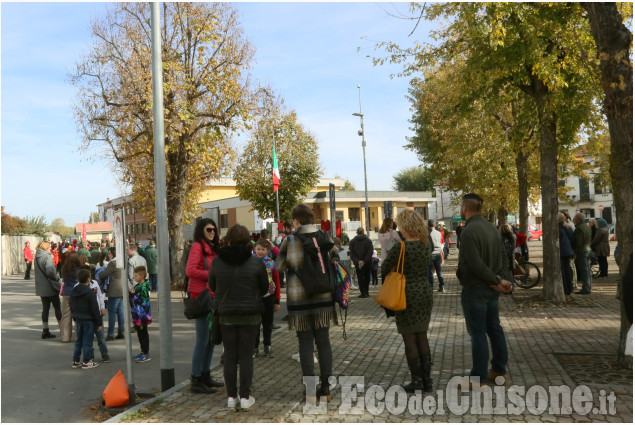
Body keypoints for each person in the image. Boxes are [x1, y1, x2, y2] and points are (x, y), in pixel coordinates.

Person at [276, 203, 339, 402]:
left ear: (295, 220)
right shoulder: (324, 237)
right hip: (323, 297)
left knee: (305, 343)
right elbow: (334, 260)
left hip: (300, 300)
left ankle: (310, 391)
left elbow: (279, 267)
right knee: (323, 342)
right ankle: (326, 389)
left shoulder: (291, 240)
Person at [456, 193, 512, 388]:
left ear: (465, 208)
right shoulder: (492, 228)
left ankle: (478, 378)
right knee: (494, 329)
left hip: (476, 288)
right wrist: (500, 280)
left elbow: (475, 264)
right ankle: (499, 370)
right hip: (491, 288)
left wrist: (495, 280)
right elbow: (505, 257)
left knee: (478, 333)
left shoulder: (469, 231)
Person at [210, 224, 268, 411]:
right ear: (247, 241)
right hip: (250, 315)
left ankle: (230, 397)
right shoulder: (255, 262)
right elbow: (265, 288)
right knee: (246, 357)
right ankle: (244, 397)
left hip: (226, 314)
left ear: (228, 240)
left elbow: (212, 284)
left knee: (230, 355)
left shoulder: (217, 261)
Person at [381, 209, 433, 392]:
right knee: (422, 335)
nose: (399, 229)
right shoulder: (426, 245)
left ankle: (416, 381)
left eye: (401, 226)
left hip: (406, 293)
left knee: (409, 338)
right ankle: (427, 381)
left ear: (406, 226)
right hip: (425, 291)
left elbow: (385, 268)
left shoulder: (400, 248)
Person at [186, 218, 224, 394]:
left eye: (214, 230)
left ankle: (205, 375)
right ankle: (196, 379)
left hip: (212, 296)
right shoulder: (197, 247)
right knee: (202, 341)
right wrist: (212, 274)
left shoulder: (212, 248)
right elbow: (190, 271)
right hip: (201, 297)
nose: (212, 232)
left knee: (210, 340)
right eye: (209, 229)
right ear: (201, 230)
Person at [253, 239, 281, 358]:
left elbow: (276, 281)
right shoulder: (250, 262)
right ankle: (254, 347)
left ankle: (267, 345)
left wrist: (277, 300)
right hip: (254, 298)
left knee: (267, 323)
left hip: (269, 297)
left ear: (267, 250)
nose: (260, 251)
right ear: (254, 249)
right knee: (255, 324)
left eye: (263, 249)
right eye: (258, 249)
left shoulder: (271, 263)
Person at [70, 268, 102, 369]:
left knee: (78, 340)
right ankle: (87, 361)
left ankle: (76, 360)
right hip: (89, 319)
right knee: (88, 341)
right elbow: (95, 309)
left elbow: (71, 305)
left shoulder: (74, 291)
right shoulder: (90, 292)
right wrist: (99, 322)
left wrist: (74, 316)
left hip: (78, 318)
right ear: (88, 279)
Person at [80, 264, 110, 363]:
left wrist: (102, 307)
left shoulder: (95, 283)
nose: (89, 277)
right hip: (87, 315)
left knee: (100, 335)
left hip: (97, 314)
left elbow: (100, 296)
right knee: (88, 337)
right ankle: (90, 355)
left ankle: (104, 353)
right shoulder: (78, 287)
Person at [34, 241, 62, 339]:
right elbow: (50, 272)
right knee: (57, 308)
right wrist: (57, 278)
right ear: (45, 248)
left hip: (41, 288)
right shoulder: (47, 257)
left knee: (45, 309)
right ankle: (62, 329)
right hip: (50, 287)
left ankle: (45, 330)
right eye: (49, 247)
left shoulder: (36, 257)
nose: (50, 248)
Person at [99, 248, 125, 341]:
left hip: (114, 289)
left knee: (112, 312)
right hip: (122, 288)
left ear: (113, 254)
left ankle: (110, 334)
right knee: (120, 311)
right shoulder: (122, 261)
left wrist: (99, 273)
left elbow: (103, 275)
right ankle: (121, 331)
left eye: (109, 254)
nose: (109, 255)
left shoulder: (112, 263)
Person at [130, 265, 152, 363]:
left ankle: (146, 353)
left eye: (136, 276)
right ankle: (143, 351)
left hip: (142, 314)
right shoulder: (138, 285)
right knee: (140, 333)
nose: (134, 278)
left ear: (142, 276)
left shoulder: (143, 287)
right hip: (138, 313)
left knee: (143, 333)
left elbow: (142, 301)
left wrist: (133, 295)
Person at [60, 251, 82, 342]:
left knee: (66, 315)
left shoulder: (64, 268)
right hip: (76, 293)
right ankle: (79, 336)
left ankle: (65, 337)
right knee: (78, 315)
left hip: (66, 292)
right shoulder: (79, 269)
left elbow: (63, 278)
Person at [349, 227, 374, 298]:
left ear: (356, 232)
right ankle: (366, 292)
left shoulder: (352, 241)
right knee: (367, 276)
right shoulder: (368, 241)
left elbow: (352, 253)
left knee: (360, 277)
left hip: (357, 263)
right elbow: (370, 252)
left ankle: (362, 292)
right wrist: (364, 261)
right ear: (363, 232)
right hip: (367, 262)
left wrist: (357, 261)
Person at [573, 213, 592, 294]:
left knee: (584, 270)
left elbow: (578, 242)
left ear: (578, 220)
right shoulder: (587, 227)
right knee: (587, 270)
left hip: (582, 251)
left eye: (575, 218)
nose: (573, 219)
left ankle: (586, 288)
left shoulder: (579, 228)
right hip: (587, 249)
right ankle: (588, 286)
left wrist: (574, 252)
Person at [558, 213, 576, 296]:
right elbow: (572, 239)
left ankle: (565, 288)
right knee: (567, 269)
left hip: (562, 251)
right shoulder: (567, 227)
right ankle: (569, 288)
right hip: (568, 251)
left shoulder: (557, 228)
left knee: (563, 270)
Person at [428, 220, 446, 292]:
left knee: (430, 271)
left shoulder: (428, 233)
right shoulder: (439, 233)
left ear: (428, 225)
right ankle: (442, 286)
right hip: (438, 252)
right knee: (439, 271)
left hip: (431, 253)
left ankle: (431, 286)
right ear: (434, 225)